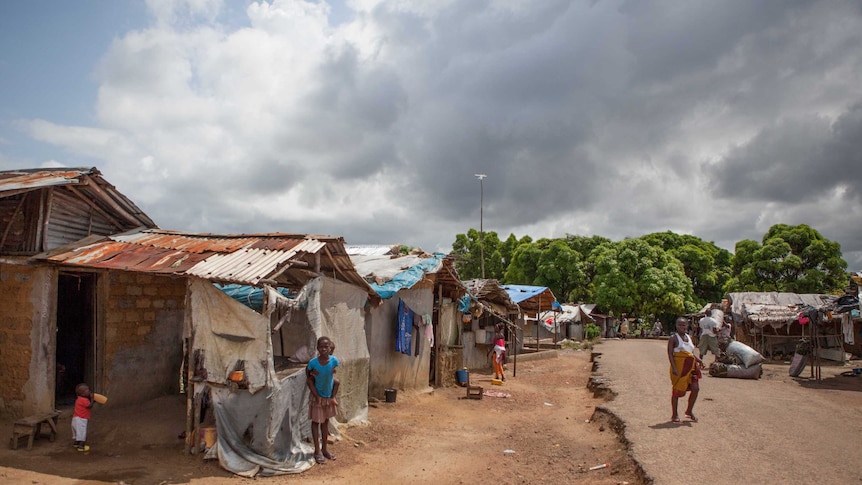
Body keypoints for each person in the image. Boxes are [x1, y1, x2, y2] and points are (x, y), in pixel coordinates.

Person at [306, 336, 340, 464]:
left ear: (330, 348)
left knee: (325, 422)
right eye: (321, 347)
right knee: (316, 422)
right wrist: (316, 395)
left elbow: (333, 375)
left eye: (326, 347)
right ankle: (317, 451)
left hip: (327, 396)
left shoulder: (334, 361)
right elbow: (308, 377)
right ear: (317, 348)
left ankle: (325, 449)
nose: (324, 349)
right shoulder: (313, 363)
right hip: (317, 397)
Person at [668, 317, 704, 423]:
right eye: (679, 325)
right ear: (676, 326)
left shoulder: (689, 337)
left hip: (691, 368)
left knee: (695, 388)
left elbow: (690, 353)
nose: (682, 327)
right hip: (679, 369)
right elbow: (670, 354)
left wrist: (699, 361)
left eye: (684, 325)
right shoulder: (673, 338)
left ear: (687, 326)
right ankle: (674, 414)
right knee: (676, 391)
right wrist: (674, 368)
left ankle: (689, 411)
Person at [72, 383, 94, 452]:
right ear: (83, 394)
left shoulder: (79, 399)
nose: (89, 391)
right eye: (88, 390)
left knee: (77, 432)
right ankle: (81, 446)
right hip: (81, 419)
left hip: (75, 419)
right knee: (82, 433)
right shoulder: (85, 400)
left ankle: (76, 443)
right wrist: (92, 399)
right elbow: (89, 406)